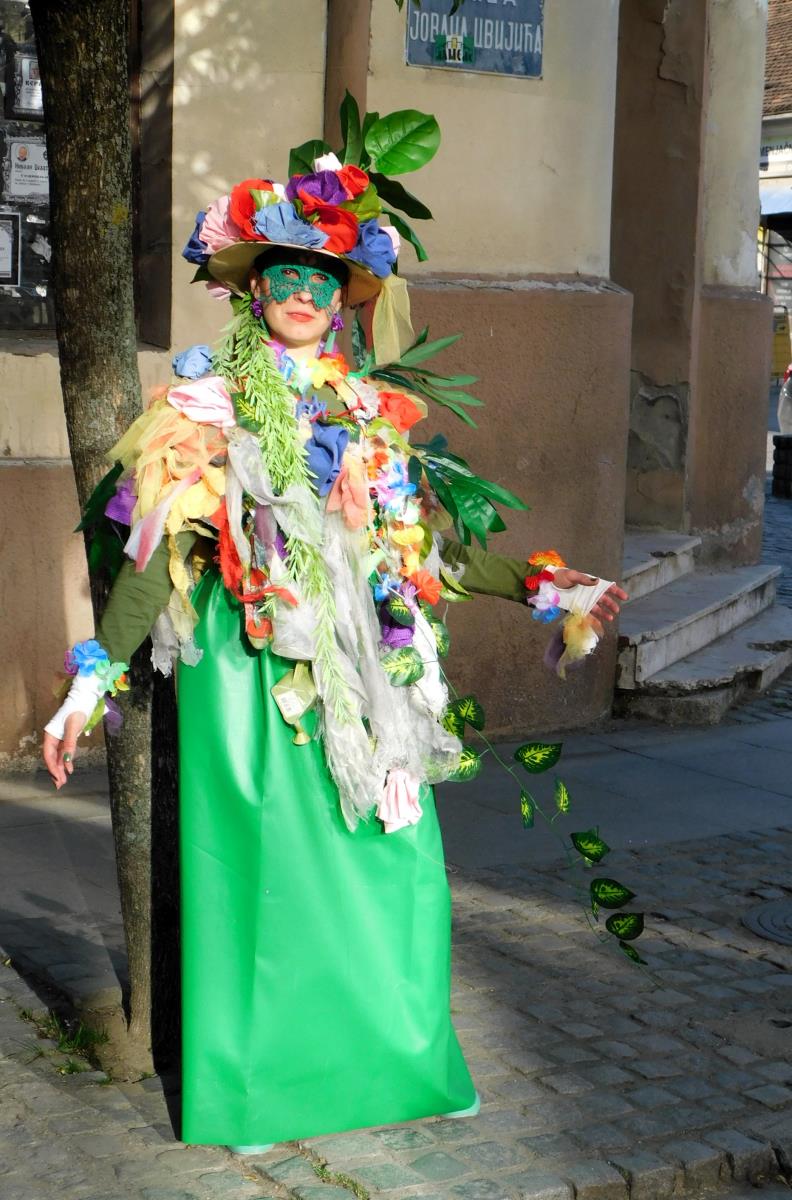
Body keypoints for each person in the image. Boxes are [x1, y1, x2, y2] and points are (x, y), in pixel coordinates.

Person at [42, 126, 626, 1151]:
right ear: (254, 294)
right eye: (285, 274)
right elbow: (157, 558)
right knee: (262, 879)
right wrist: (90, 687)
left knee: (392, 870)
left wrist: (543, 588)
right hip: (252, 678)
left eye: (323, 274)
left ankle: (394, 1064)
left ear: (344, 296)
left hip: (366, 678)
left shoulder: (371, 416)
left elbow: (422, 554)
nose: (305, 290)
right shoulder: (205, 411)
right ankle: (264, 1088)